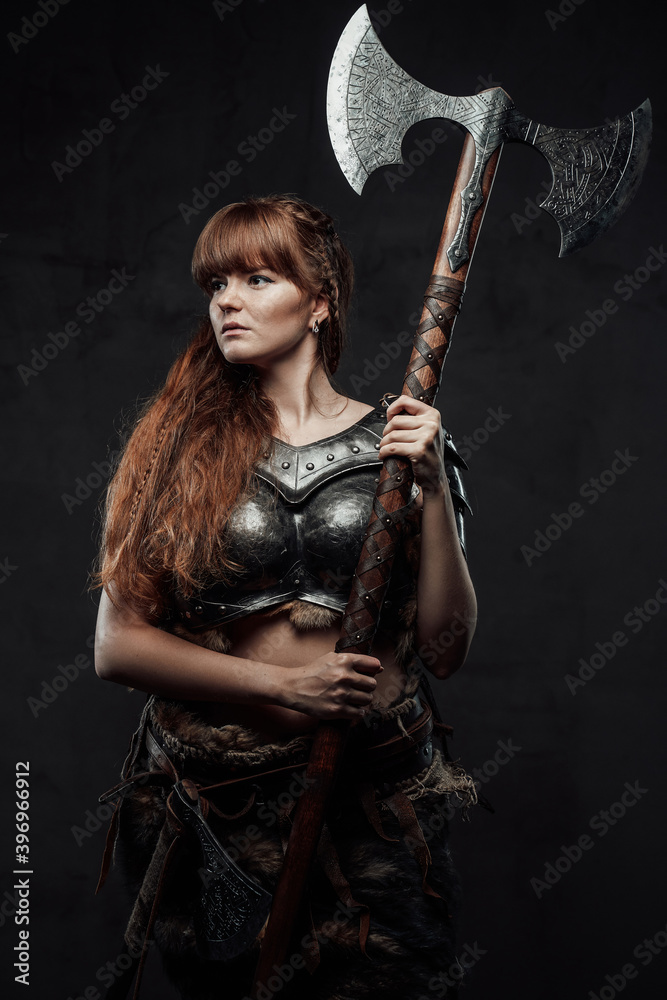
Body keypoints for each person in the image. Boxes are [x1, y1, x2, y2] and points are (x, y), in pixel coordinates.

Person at [92, 194, 478, 1000]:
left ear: (319, 301)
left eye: (256, 278)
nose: (226, 301)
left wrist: (434, 490)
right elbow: (117, 645)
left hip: (372, 801)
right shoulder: (176, 448)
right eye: (216, 285)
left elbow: (445, 649)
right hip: (222, 814)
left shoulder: (403, 446)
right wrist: (284, 685)